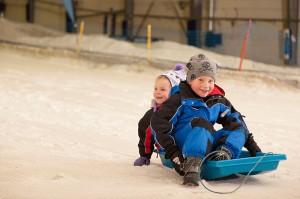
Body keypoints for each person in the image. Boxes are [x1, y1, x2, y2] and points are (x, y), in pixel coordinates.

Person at [150, 54, 261, 186]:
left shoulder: (217, 100)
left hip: (206, 139)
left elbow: (236, 120)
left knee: (237, 126)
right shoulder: (179, 99)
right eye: (200, 80)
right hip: (183, 144)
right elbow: (159, 124)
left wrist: (253, 147)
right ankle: (192, 164)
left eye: (210, 81)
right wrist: (173, 153)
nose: (206, 85)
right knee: (201, 123)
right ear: (190, 79)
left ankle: (223, 154)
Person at [133, 64, 186, 166]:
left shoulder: (183, 108)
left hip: (184, 145)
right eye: (156, 88)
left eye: (163, 89)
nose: (157, 92)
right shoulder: (152, 115)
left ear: (175, 92)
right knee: (146, 126)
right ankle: (145, 156)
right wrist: (145, 155)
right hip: (165, 147)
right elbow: (145, 134)